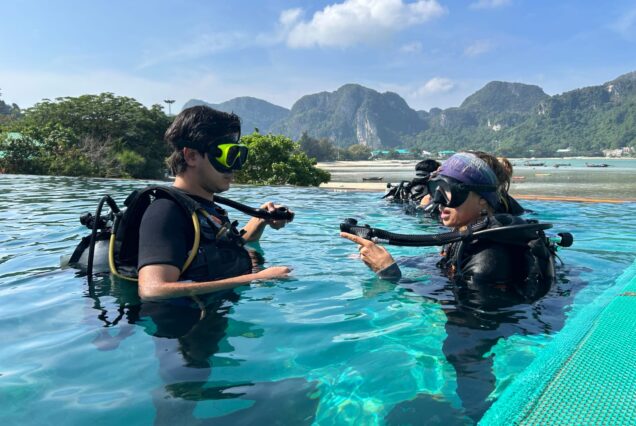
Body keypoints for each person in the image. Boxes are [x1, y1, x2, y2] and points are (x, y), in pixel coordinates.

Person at [137, 105, 292, 301]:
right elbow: (153, 290)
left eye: (238, 155)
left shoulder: (205, 208)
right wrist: (256, 278)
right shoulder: (165, 211)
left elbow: (230, 247)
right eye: (226, 155)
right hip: (187, 329)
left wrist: (260, 219)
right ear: (191, 155)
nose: (234, 167)